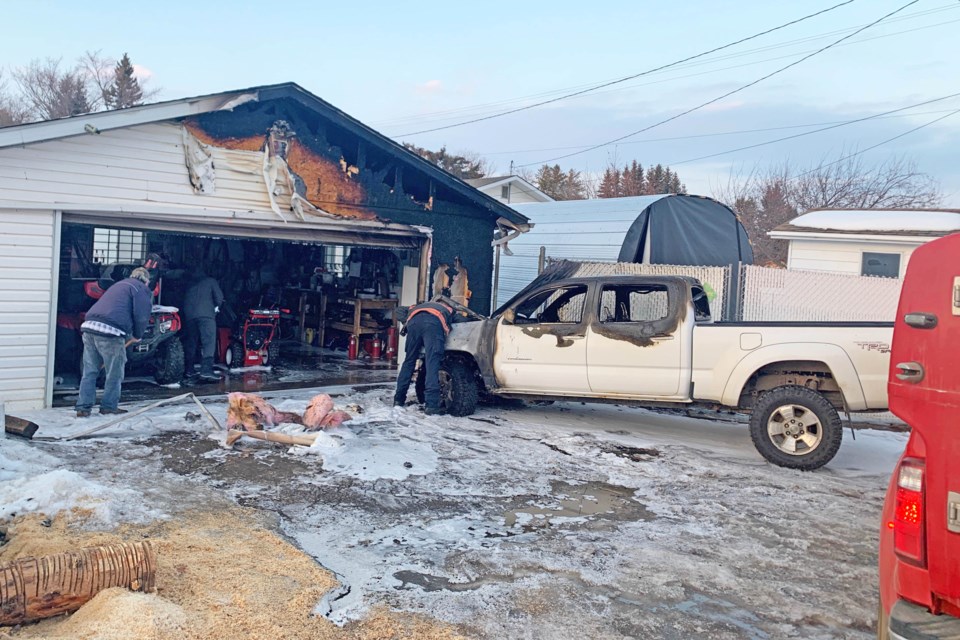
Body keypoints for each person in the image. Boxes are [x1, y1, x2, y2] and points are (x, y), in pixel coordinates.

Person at [75, 267, 153, 418]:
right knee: (114, 372)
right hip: (110, 332)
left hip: (90, 327)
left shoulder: (119, 285)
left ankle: (83, 408)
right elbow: (142, 314)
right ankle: (109, 406)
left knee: (90, 371)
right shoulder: (140, 288)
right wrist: (138, 334)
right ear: (146, 280)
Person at [393, 299, 454, 415]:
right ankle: (431, 406)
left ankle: (398, 400)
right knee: (432, 364)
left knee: (409, 362)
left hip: (414, 324)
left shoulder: (416, 306)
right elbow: (461, 321)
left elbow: (399, 310)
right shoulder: (448, 309)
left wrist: (405, 320)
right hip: (433, 325)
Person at [182, 267, 225, 383]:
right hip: (206, 315)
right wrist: (216, 308)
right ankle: (206, 370)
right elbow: (219, 298)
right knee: (209, 341)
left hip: (190, 316)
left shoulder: (189, 284)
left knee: (191, 341)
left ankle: (189, 369)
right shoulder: (211, 281)